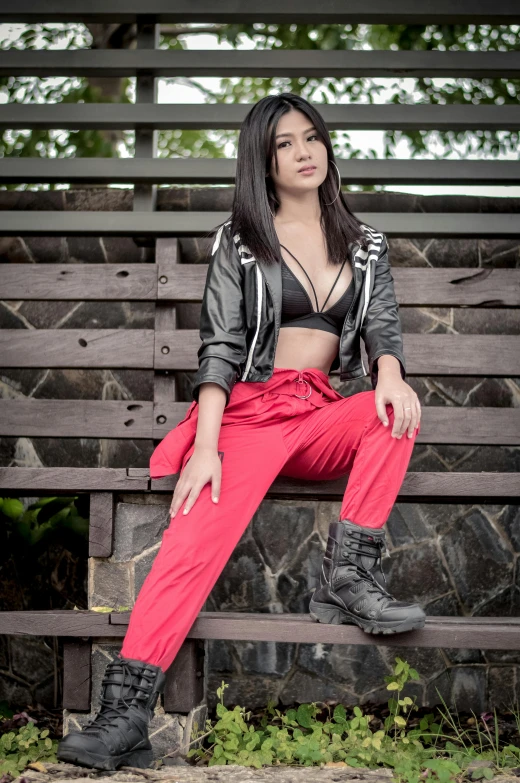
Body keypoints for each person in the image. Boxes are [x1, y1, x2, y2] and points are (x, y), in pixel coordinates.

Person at [57, 92, 423, 771]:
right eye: (284, 143)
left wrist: (393, 374)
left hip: (315, 413)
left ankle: (345, 574)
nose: (303, 151)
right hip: (249, 415)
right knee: (189, 549)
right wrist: (205, 447)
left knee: (393, 411)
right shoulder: (241, 240)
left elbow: (382, 327)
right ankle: (123, 719)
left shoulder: (365, 243)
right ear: (263, 158)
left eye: (311, 137)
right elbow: (221, 347)